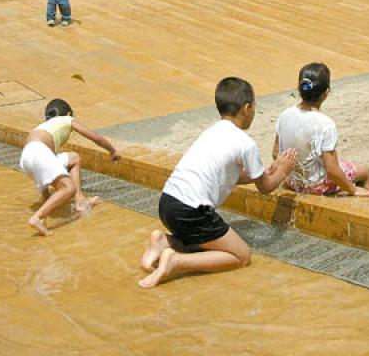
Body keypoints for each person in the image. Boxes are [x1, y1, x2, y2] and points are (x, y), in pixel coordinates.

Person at [137, 76, 296, 289]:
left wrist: (266, 172)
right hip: (191, 210)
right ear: (247, 108)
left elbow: (228, 175)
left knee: (202, 240)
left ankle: (164, 242)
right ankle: (177, 261)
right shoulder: (245, 143)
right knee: (241, 256)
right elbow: (265, 187)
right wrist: (283, 170)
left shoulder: (212, 131)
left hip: (168, 204)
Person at [20, 98, 121, 236]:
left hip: (26, 158)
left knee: (74, 158)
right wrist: (112, 150)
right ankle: (38, 218)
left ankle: (79, 200)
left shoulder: (43, 126)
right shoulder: (66, 119)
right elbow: (95, 137)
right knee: (69, 188)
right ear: (68, 113)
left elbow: (43, 167)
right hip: (40, 153)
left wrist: (45, 194)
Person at [274, 63, 369, 197]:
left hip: (292, 180)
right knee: (365, 171)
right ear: (326, 93)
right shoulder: (325, 124)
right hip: (315, 185)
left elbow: (275, 153)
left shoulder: (285, 115)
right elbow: (332, 170)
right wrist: (352, 190)